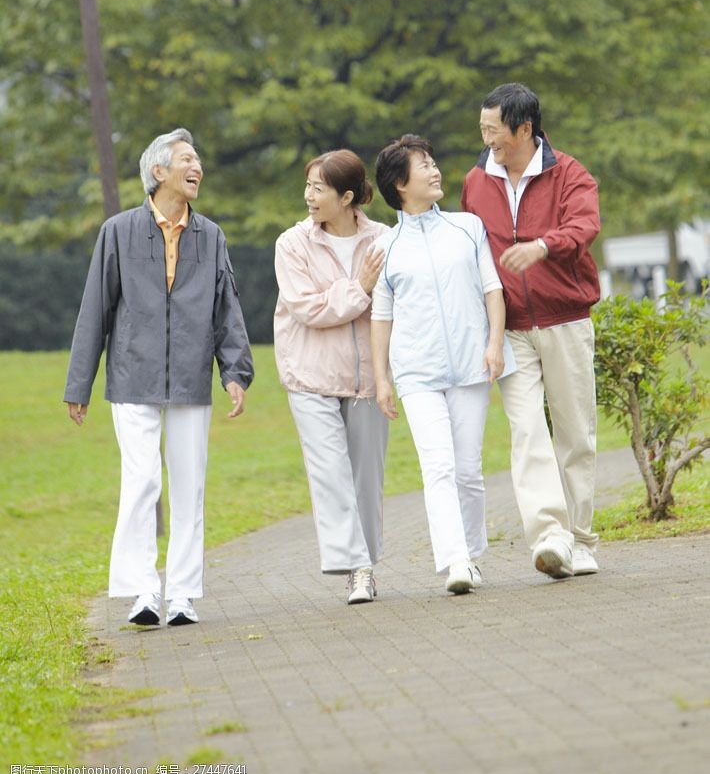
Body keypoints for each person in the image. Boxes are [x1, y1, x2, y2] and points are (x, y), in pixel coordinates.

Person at [64, 129, 254, 627]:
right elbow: (95, 310)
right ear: (159, 171)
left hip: (191, 379)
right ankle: (143, 590)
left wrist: (236, 372)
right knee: (143, 480)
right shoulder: (119, 231)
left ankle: (183, 594)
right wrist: (78, 385)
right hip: (132, 376)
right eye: (188, 160)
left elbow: (226, 308)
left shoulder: (210, 235)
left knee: (189, 486)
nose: (198, 168)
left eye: (199, 159)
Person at [461, 82, 601, 579]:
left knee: (574, 434)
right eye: (482, 129)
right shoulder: (476, 181)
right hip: (512, 329)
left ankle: (582, 540)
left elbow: (585, 226)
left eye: (493, 130)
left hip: (566, 320)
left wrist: (542, 246)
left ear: (524, 129)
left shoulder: (569, 173)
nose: (486, 139)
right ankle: (550, 536)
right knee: (526, 432)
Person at [370, 135, 515, 595]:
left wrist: (494, 344)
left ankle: (471, 554)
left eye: (433, 162)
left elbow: (493, 288)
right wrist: (382, 378)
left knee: (468, 469)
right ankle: (454, 560)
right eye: (424, 166)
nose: (435, 171)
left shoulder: (467, 228)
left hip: (473, 366)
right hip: (417, 374)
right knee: (437, 466)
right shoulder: (386, 246)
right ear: (400, 184)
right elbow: (381, 316)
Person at [273, 149, 389, 605]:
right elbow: (307, 308)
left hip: (369, 378)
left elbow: (394, 307)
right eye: (307, 187)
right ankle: (357, 570)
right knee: (331, 475)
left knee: (366, 479)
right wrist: (359, 289)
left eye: (318, 189)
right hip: (311, 376)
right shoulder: (292, 244)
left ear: (346, 196)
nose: (308, 197)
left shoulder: (383, 240)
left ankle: (367, 564)